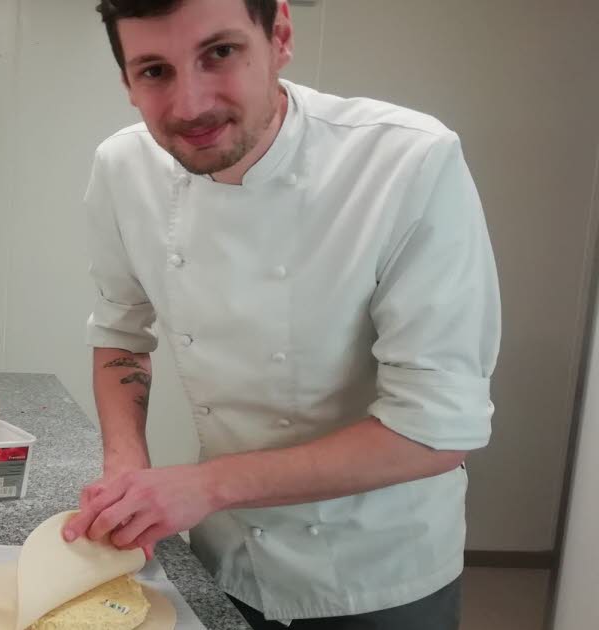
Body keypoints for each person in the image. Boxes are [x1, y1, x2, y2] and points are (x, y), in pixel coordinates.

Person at [62, 1, 501, 628]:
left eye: (220, 53)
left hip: (379, 574)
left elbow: (437, 428)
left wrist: (206, 485)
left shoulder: (407, 161)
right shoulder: (122, 167)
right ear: (128, 82)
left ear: (281, 37)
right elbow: (120, 334)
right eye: (154, 70)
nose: (190, 105)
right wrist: (127, 470)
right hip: (223, 553)